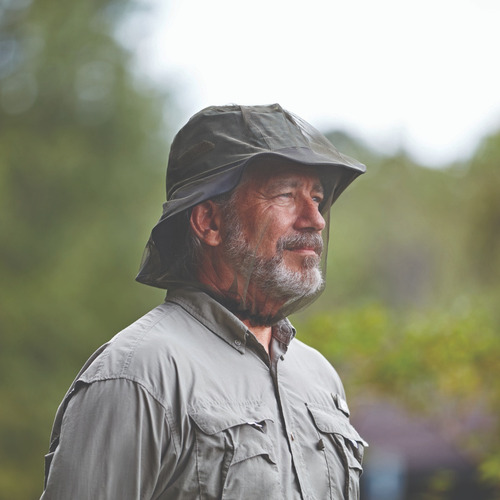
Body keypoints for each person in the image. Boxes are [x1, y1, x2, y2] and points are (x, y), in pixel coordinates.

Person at [41, 103, 367, 499]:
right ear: (210, 222)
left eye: (317, 198)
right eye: (285, 194)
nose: (315, 219)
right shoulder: (138, 375)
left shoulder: (320, 378)